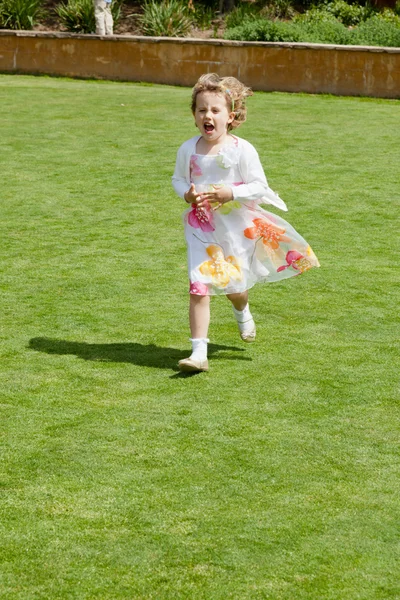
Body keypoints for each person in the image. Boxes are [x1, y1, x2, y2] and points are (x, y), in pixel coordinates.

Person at [172, 73, 320, 373]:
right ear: (194, 115)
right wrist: (187, 194)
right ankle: (199, 353)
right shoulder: (188, 149)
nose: (208, 116)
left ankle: (242, 309)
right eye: (201, 110)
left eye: (215, 110)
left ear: (231, 116)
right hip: (201, 229)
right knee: (199, 285)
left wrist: (231, 192)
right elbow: (178, 179)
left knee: (233, 287)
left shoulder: (242, 149)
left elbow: (258, 186)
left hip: (236, 229)